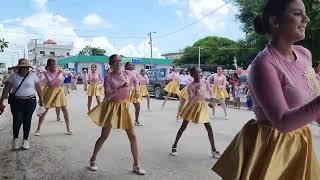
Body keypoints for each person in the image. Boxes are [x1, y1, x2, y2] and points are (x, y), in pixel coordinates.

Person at [212, 0, 320, 179]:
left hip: (300, 142)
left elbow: (311, 103)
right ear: (275, 21)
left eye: (305, 13)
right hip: (272, 147)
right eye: (297, 13)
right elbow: (283, 122)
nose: (306, 19)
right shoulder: (264, 64)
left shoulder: (304, 54)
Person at [87, 54, 146, 175]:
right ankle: (92, 159)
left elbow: (136, 80)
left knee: (132, 136)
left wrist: (136, 90)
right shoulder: (108, 76)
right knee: (104, 136)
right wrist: (120, 86)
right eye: (115, 61)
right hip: (112, 107)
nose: (118, 63)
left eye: (119, 60)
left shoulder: (128, 73)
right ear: (111, 64)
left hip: (124, 106)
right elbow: (108, 94)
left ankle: (136, 165)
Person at [170, 67, 220, 158]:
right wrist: (196, 92)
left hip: (202, 106)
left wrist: (212, 102)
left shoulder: (204, 82)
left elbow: (211, 91)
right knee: (183, 126)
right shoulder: (190, 86)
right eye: (196, 73)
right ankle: (174, 146)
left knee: (209, 127)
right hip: (192, 106)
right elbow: (191, 98)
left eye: (200, 73)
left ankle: (213, 149)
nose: (199, 75)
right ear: (192, 75)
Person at [0, 58, 43, 150]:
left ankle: (25, 140)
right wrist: (1, 101)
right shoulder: (13, 76)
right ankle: (15, 138)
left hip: (30, 101)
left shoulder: (33, 75)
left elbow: (39, 88)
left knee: (27, 120)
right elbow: (7, 89)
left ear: (28, 67)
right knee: (17, 120)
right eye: (22, 67)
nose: (25, 69)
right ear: (19, 67)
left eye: (26, 67)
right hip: (16, 102)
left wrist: (42, 100)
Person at [35, 59, 72, 136]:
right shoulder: (46, 73)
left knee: (64, 108)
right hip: (50, 90)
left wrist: (72, 75)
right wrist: (59, 73)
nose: (54, 66)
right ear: (48, 66)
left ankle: (68, 128)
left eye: (55, 64)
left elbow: (68, 73)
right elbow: (51, 83)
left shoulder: (59, 70)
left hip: (59, 90)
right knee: (45, 109)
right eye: (52, 65)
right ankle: (38, 129)